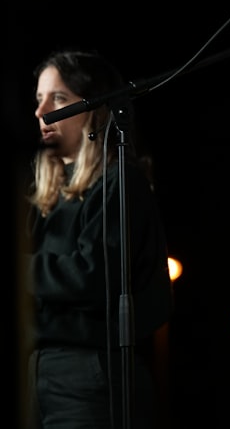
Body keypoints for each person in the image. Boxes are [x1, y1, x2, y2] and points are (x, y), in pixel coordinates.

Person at [22, 49, 173, 429]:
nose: (42, 112)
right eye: (39, 99)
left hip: (90, 373)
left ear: (93, 107)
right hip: (39, 371)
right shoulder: (48, 194)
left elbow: (93, 274)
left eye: (58, 98)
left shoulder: (119, 183)